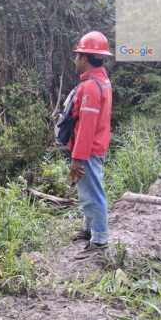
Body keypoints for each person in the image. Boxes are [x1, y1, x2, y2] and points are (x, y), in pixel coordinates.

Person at [67, 31, 113, 257]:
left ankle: (100, 239)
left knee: (93, 193)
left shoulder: (91, 88)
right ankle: (88, 229)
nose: (75, 60)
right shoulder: (102, 81)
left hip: (88, 149)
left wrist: (77, 158)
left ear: (85, 58)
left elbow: (86, 127)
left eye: (77, 56)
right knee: (87, 190)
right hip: (95, 146)